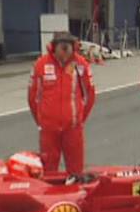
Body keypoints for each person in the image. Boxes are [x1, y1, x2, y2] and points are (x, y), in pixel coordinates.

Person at [28, 31, 96, 175]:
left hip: (73, 129)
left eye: (68, 46)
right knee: (48, 172)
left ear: (73, 46)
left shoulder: (81, 65)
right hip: (49, 130)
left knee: (76, 172)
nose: (65, 50)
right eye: (61, 46)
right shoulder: (40, 64)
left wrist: (79, 119)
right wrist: (41, 121)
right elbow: (32, 97)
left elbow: (90, 94)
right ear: (54, 47)